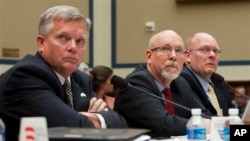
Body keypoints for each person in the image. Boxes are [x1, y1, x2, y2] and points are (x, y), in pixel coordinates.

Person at [0, 5, 127, 141]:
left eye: (80, 41)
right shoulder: (24, 75)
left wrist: (90, 119)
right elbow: (70, 130)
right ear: (41, 42)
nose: (73, 47)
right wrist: (92, 120)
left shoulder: (81, 79)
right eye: (63, 38)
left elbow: (120, 123)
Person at [114, 30, 211, 138]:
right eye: (165, 49)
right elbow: (164, 124)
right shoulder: (136, 82)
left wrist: (228, 127)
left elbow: (204, 115)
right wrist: (203, 125)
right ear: (149, 56)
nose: (173, 56)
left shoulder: (181, 83)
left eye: (179, 50)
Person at [181, 32, 235, 117]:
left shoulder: (219, 82)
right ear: (188, 56)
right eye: (204, 50)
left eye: (215, 51)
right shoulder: (182, 81)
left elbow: (232, 117)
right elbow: (204, 118)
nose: (212, 55)